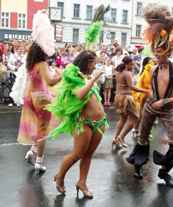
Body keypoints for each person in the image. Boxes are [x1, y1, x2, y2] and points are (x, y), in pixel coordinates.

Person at [127, 4, 173, 187]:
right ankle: (138, 167)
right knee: (142, 138)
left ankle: (164, 171)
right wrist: (145, 96)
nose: (157, 56)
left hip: (167, 109)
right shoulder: (152, 68)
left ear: (168, 52)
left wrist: (165, 101)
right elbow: (149, 89)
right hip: (150, 107)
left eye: (160, 53)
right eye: (155, 52)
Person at [48, 50, 108, 198]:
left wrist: (91, 79)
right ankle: (60, 176)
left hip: (99, 123)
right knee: (77, 154)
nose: (95, 66)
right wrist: (94, 79)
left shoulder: (85, 76)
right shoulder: (72, 77)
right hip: (83, 123)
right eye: (94, 63)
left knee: (88, 155)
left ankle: (82, 182)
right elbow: (80, 95)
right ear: (87, 62)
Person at [17, 11, 61, 172]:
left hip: (30, 96)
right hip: (41, 97)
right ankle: (39, 162)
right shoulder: (41, 63)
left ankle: (32, 152)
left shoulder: (30, 63)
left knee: (39, 127)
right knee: (43, 130)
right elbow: (49, 81)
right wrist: (60, 76)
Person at [112, 56, 150, 149]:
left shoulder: (118, 72)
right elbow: (132, 87)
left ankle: (116, 137)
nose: (133, 66)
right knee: (135, 117)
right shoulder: (127, 73)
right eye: (131, 64)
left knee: (123, 119)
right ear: (126, 64)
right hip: (126, 98)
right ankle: (120, 137)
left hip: (118, 96)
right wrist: (145, 91)